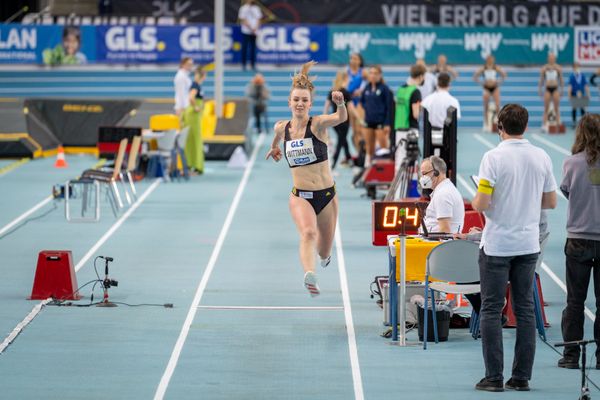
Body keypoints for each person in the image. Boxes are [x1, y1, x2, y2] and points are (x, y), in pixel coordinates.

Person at [471, 104, 557, 392]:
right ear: (526, 125)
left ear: (499, 127)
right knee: (525, 310)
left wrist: (480, 200)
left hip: (498, 244)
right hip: (528, 243)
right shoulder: (541, 156)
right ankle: (521, 377)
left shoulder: (493, 157)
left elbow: (481, 203)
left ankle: (494, 377)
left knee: (492, 309)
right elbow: (551, 202)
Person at [265, 61, 347, 297]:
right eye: (296, 100)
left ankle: (321, 258)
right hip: (300, 196)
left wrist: (341, 104)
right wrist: (274, 149)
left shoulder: (318, 124)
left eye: (304, 100)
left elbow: (340, 118)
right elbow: (276, 138)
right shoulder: (282, 128)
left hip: (327, 196)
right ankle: (309, 275)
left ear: (310, 104)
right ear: (289, 102)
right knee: (308, 233)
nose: (300, 104)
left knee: (323, 250)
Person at [558, 114, 600, 370]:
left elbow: (566, 191)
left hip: (578, 238)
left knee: (575, 301)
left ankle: (571, 355)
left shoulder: (571, 163)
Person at [359, 65, 393, 166]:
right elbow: (362, 102)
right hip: (369, 122)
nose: (373, 75)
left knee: (383, 149)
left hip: (381, 123)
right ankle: (369, 169)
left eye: (375, 73)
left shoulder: (385, 89)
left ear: (380, 75)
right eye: (371, 73)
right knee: (369, 149)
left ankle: (385, 170)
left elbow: (389, 108)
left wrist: (387, 124)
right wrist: (368, 111)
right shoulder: (367, 88)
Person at [419, 156, 464, 233]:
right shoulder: (445, 190)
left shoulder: (443, 194)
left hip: (434, 244)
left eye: (424, 173)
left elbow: (445, 231)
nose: (422, 178)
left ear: (436, 173)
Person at [323, 70, 358, 170]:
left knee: (343, 139)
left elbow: (326, 108)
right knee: (340, 141)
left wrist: (325, 120)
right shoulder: (345, 93)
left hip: (334, 121)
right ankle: (333, 163)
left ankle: (348, 158)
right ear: (345, 79)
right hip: (344, 121)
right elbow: (351, 108)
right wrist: (359, 119)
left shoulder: (332, 91)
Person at [472, 55, 507, 132]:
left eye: (492, 59)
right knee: (486, 107)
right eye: (489, 59)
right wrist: (482, 83)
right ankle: (486, 124)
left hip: (495, 88)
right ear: (487, 60)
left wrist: (498, 81)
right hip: (486, 88)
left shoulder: (496, 67)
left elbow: (504, 75)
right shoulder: (483, 68)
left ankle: (500, 123)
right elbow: (475, 77)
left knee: (498, 106)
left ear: (493, 60)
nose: (491, 61)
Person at [183, 66, 206, 173]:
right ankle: (195, 166)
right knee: (195, 140)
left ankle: (191, 165)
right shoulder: (195, 85)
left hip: (192, 115)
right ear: (203, 76)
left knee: (192, 140)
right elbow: (191, 97)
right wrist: (196, 107)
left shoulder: (196, 85)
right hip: (193, 115)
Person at [347, 53, 368, 152]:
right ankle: (358, 153)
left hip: (360, 102)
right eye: (352, 58)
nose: (353, 61)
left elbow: (370, 85)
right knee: (354, 130)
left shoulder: (363, 72)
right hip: (350, 102)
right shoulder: (346, 72)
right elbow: (343, 87)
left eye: (356, 59)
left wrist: (361, 91)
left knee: (360, 128)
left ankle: (363, 152)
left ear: (360, 61)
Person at [538, 53, 564, 131]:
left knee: (556, 108)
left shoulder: (558, 68)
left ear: (555, 59)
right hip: (547, 89)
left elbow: (561, 79)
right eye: (550, 58)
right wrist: (540, 89)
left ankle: (559, 124)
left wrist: (562, 89)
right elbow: (541, 80)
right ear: (548, 59)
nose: (551, 59)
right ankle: (544, 125)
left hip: (555, 89)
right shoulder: (544, 68)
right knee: (546, 108)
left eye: (553, 58)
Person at [238, 0, 262, 71]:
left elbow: (259, 19)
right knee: (244, 48)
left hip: (254, 31)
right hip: (246, 31)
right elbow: (242, 19)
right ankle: (243, 64)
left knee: (253, 48)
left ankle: (253, 64)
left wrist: (255, 28)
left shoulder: (256, 8)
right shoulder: (243, 8)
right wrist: (250, 27)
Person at [568, 62, 590, 127]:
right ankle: (574, 122)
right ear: (573, 68)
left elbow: (585, 85)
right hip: (574, 94)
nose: (576, 68)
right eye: (575, 66)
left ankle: (583, 123)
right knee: (574, 108)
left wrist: (588, 94)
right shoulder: (572, 76)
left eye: (577, 66)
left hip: (581, 93)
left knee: (582, 108)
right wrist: (569, 95)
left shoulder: (582, 75)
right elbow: (570, 86)